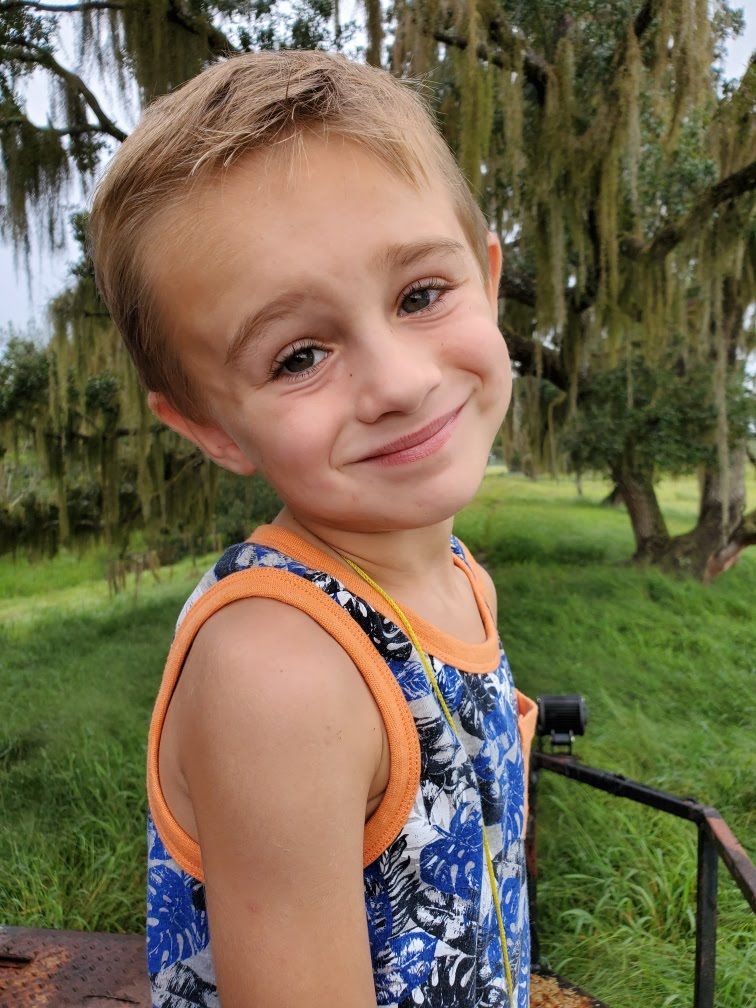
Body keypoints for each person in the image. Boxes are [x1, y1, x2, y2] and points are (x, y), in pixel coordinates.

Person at [89, 49, 537, 1008]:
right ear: (211, 426)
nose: (399, 382)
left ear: (488, 278)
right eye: (299, 355)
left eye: (421, 294)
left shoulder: (457, 575)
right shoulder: (282, 673)